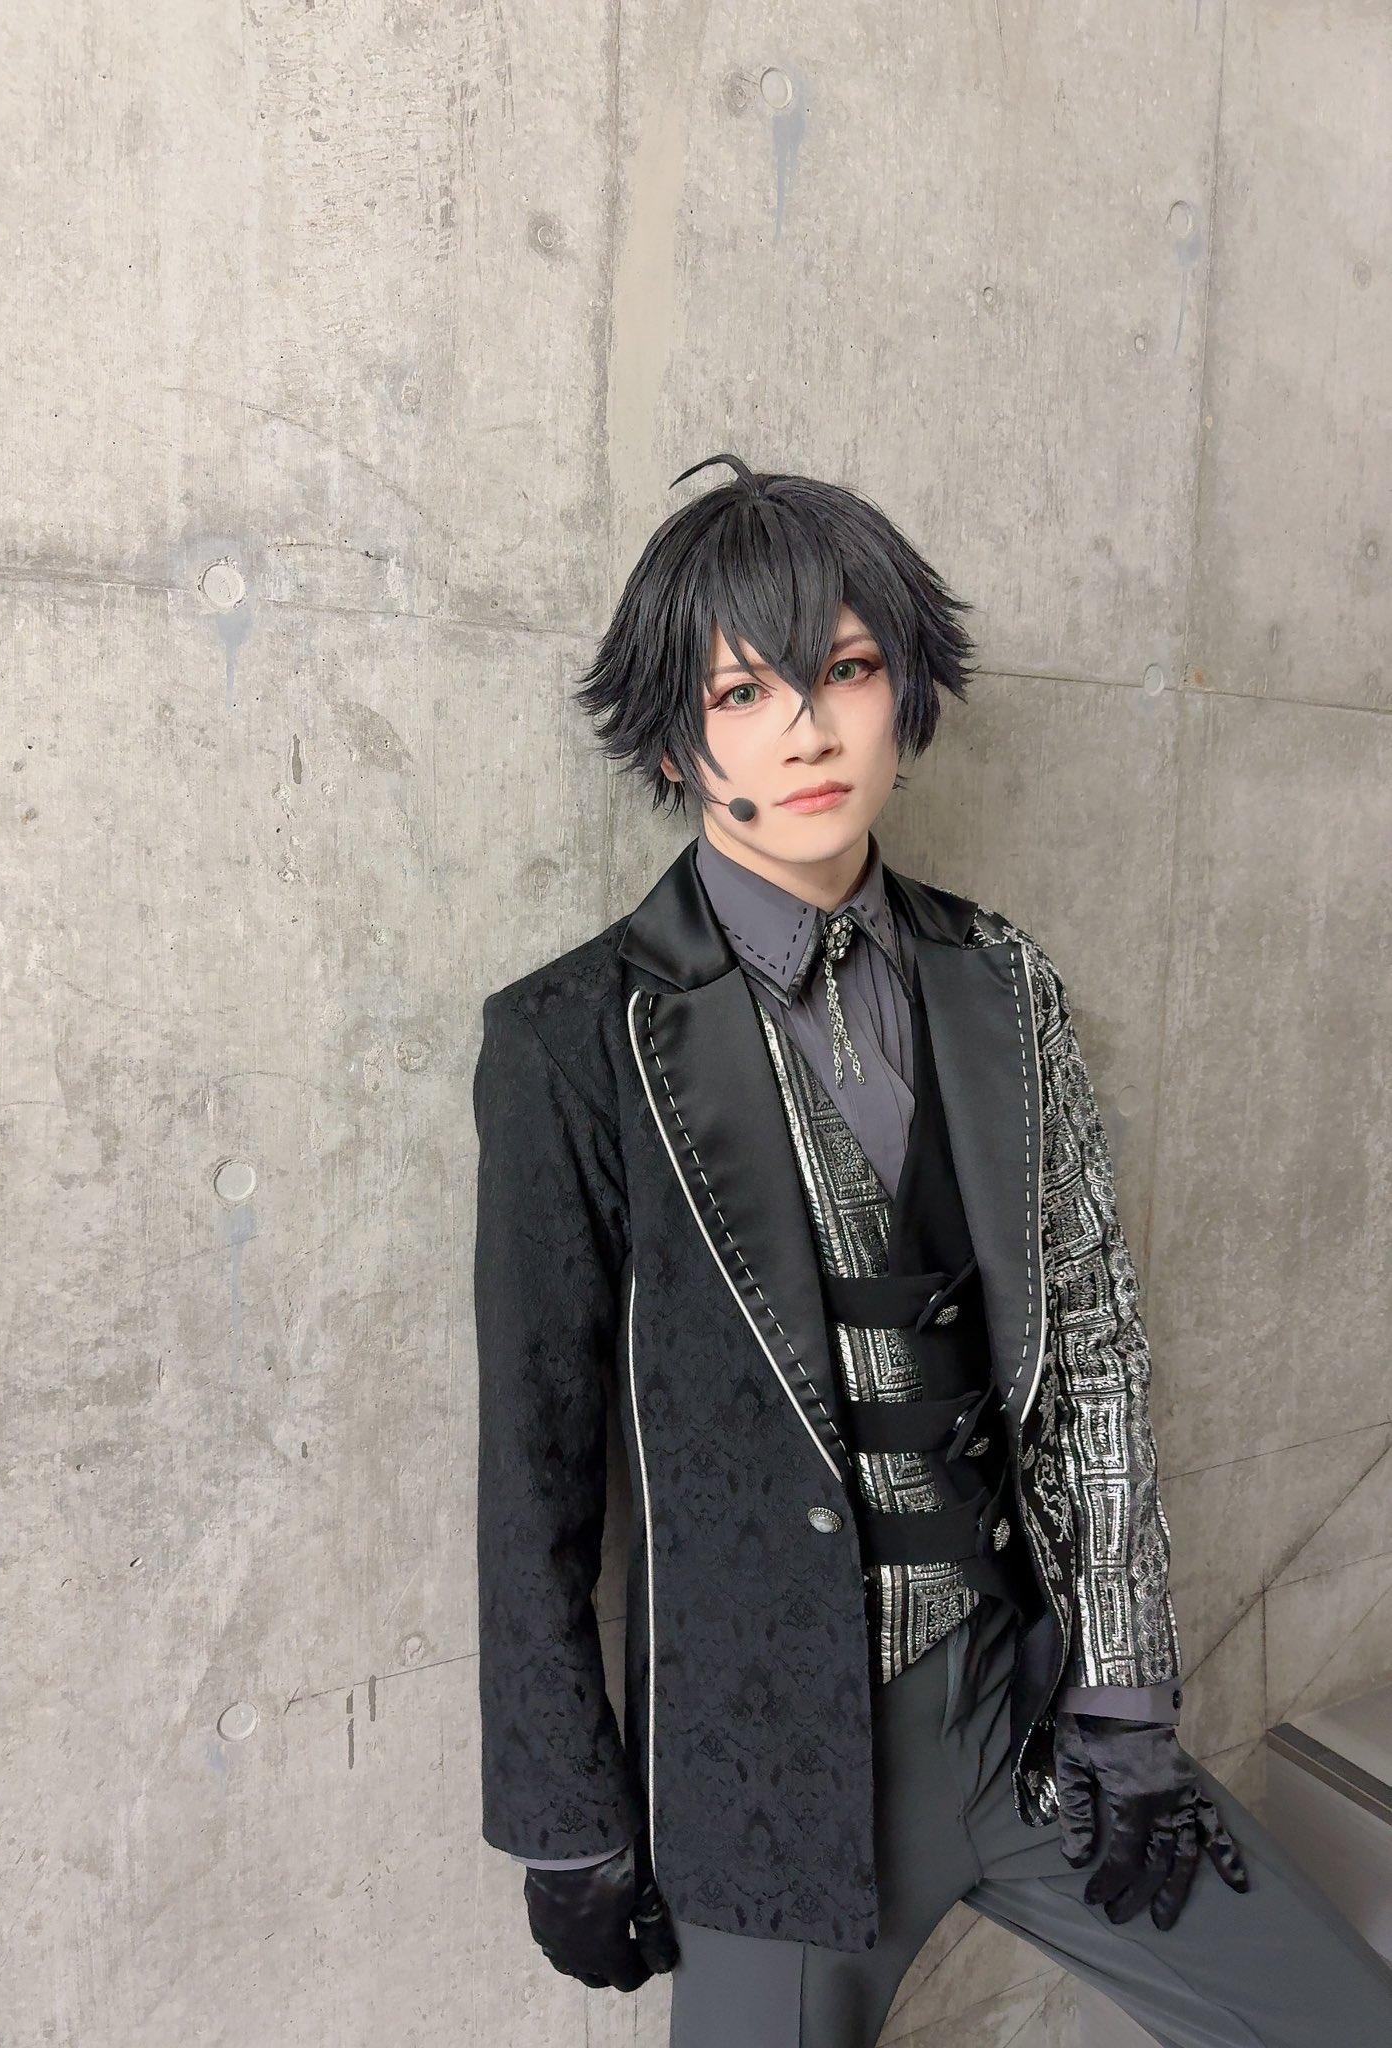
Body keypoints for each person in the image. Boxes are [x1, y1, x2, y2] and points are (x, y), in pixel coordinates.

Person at [469, 455, 1392, 2045]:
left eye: (842, 670)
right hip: (772, 1785)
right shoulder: (572, 1035)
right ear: (677, 738)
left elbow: (1089, 1350)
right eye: (743, 691)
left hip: (1030, 1721)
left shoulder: (998, 978)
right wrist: (562, 1817)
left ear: (901, 689)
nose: (807, 731)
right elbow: (532, 1466)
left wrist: (1122, 1696)